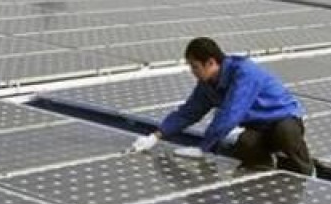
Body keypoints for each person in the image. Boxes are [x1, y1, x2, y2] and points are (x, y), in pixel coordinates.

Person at [130, 37, 315, 176]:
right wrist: (155, 136)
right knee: (246, 144)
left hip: (284, 120)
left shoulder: (244, 73)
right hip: (260, 128)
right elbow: (188, 112)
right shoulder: (207, 84)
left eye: (195, 67)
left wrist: (204, 147)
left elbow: (231, 113)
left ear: (211, 62)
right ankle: (266, 169)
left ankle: (307, 171)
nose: (192, 72)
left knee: (285, 133)